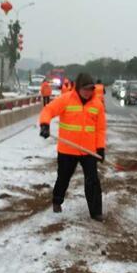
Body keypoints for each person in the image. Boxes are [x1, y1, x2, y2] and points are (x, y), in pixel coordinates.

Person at [39, 73, 106, 222]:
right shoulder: (66, 99)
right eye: (85, 89)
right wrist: (44, 125)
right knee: (63, 177)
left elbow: (100, 129)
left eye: (91, 89)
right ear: (78, 88)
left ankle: (96, 212)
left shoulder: (97, 105)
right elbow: (48, 110)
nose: (88, 93)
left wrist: (100, 148)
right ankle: (57, 201)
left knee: (92, 180)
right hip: (67, 148)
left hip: (88, 150)